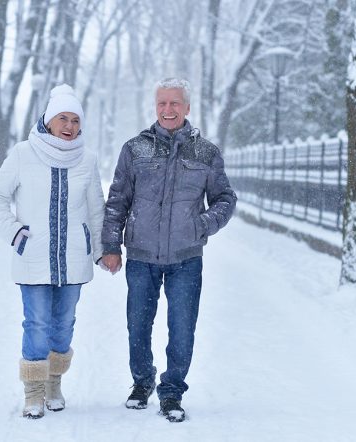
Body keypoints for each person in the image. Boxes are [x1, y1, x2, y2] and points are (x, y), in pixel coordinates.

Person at [100, 78, 237, 422]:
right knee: (138, 324)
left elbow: (225, 199)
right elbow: (117, 199)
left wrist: (201, 225)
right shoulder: (135, 149)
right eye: (162, 103)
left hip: (186, 260)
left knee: (182, 327)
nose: (168, 110)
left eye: (175, 103)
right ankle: (142, 382)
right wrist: (111, 245)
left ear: (187, 108)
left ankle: (172, 391)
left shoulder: (205, 152)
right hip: (141, 256)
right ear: (155, 106)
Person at [0, 84, 104, 419]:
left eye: (75, 120)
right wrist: (16, 234)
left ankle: (54, 383)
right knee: (36, 323)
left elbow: (97, 210)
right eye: (63, 118)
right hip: (33, 257)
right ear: (49, 121)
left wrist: (100, 250)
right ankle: (34, 392)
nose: (70, 126)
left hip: (73, 260)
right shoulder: (24, 153)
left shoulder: (88, 159)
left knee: (64, 325)